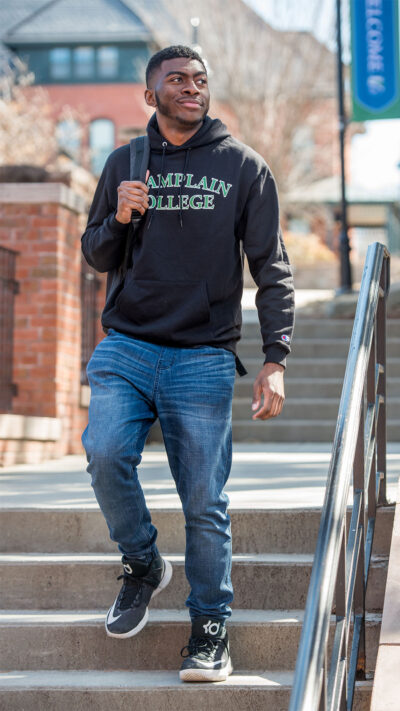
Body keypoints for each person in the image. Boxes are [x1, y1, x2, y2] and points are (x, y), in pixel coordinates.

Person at [81, 44, 294, 683]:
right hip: (127, 345)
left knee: (203, 500)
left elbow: (273, 272)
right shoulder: (125, 161)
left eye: (199, 80)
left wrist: (275, 357)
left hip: (201, 355)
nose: (191, 88)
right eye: (177, 80)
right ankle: (143, 561)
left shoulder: (243, 167)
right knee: (105, 453)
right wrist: (118, 217)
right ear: (152, 95)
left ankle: (209, 629)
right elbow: (94, 253)